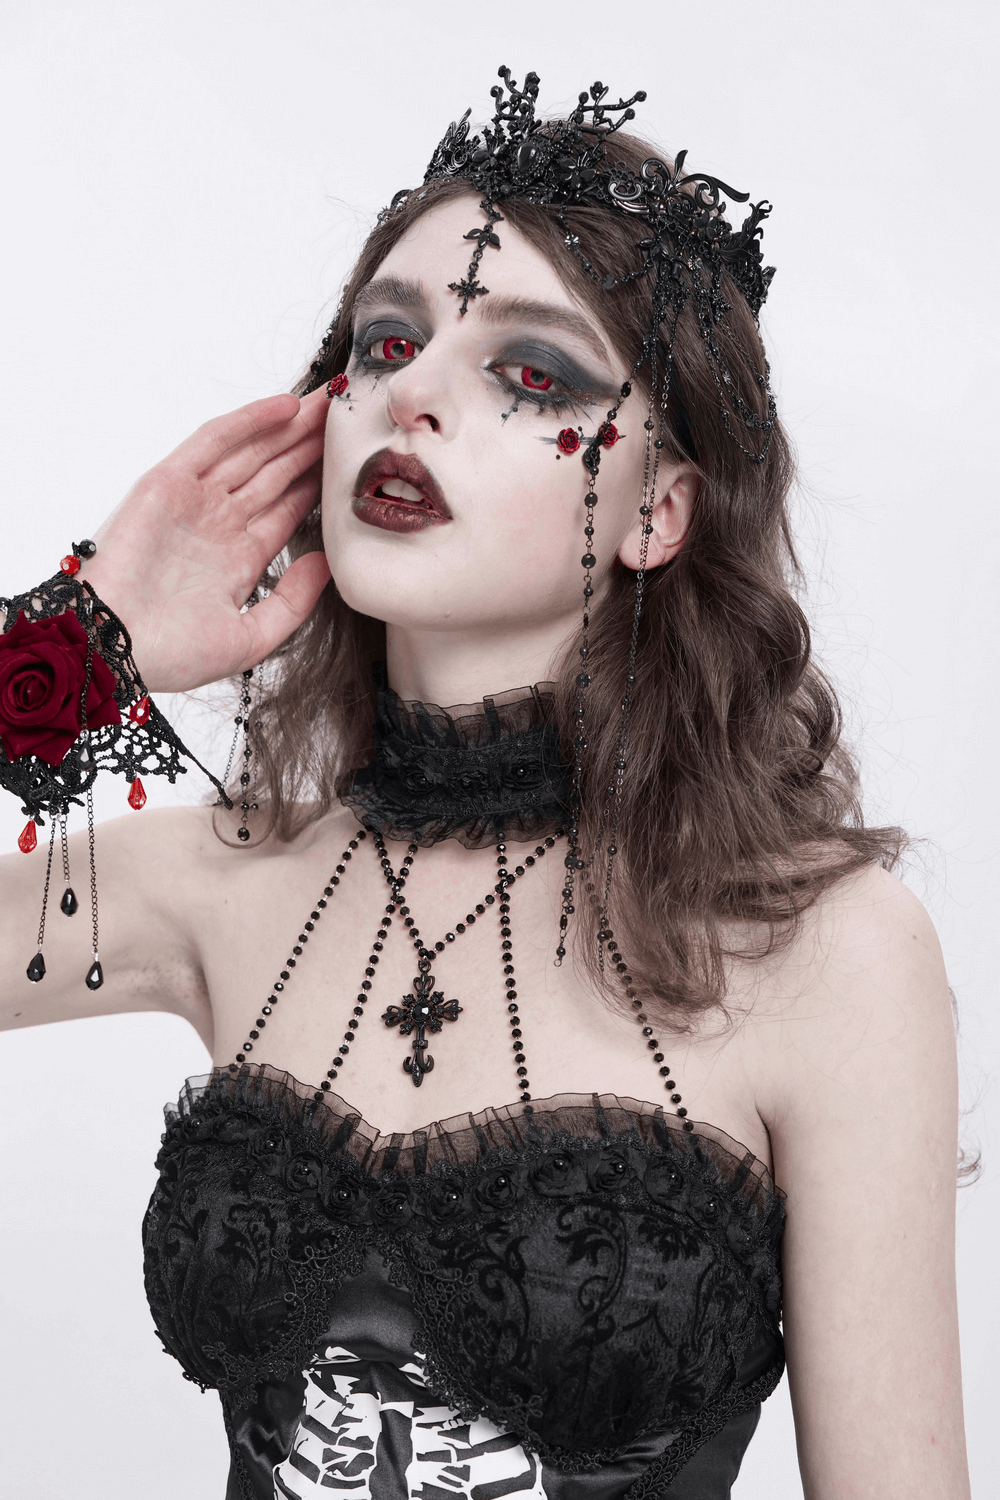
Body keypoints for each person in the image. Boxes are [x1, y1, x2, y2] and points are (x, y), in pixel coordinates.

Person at [0, 69, 971, 1500]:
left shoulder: (827, 951)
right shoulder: (217, 883)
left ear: (660, 511)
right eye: (384, 344)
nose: (415, 400)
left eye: (531, 374)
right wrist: (68, 649)